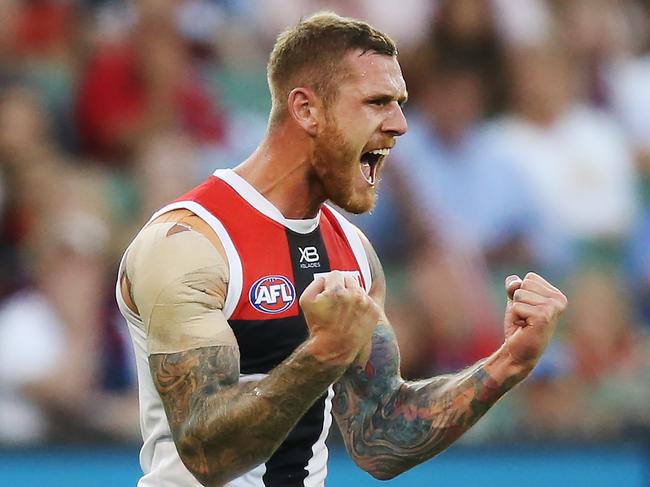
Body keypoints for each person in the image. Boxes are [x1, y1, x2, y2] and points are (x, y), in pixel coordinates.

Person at [116, 12, 567, 487]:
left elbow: (381, 434)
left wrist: (508, 363)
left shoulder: (352, 252)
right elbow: (206, 455)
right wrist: (324, 353)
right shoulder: (189, 242)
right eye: (377, 102)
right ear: (307, 110)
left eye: (399, 104)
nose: (399, 125)